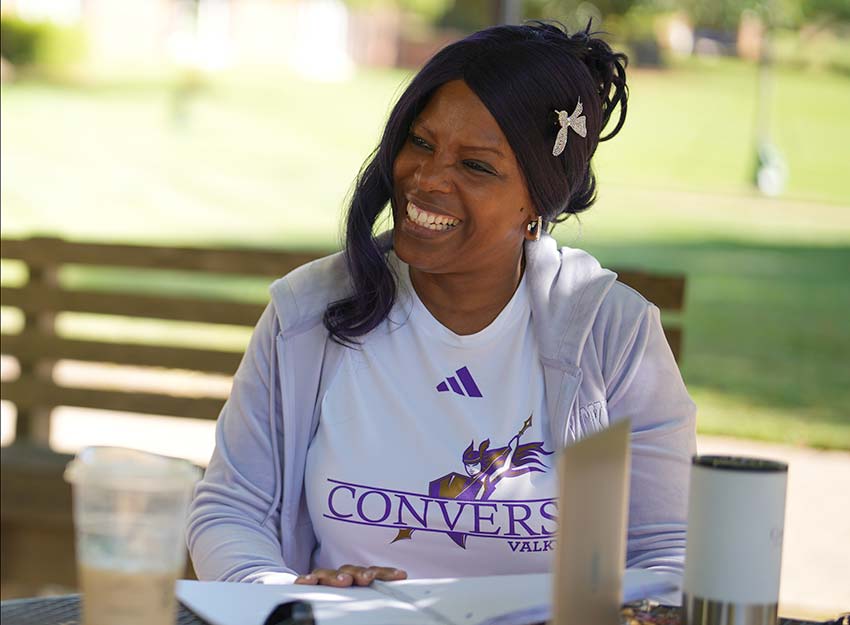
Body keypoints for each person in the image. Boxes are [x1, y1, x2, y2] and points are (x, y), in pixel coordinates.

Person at [186, 21, 696, 589]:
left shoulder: (610, 332)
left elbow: (668, 547)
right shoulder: (307, 314)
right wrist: (287, 597)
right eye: (421, 143)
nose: (426, 180)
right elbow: (232, 509)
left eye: (476, 166)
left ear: (539, 199)